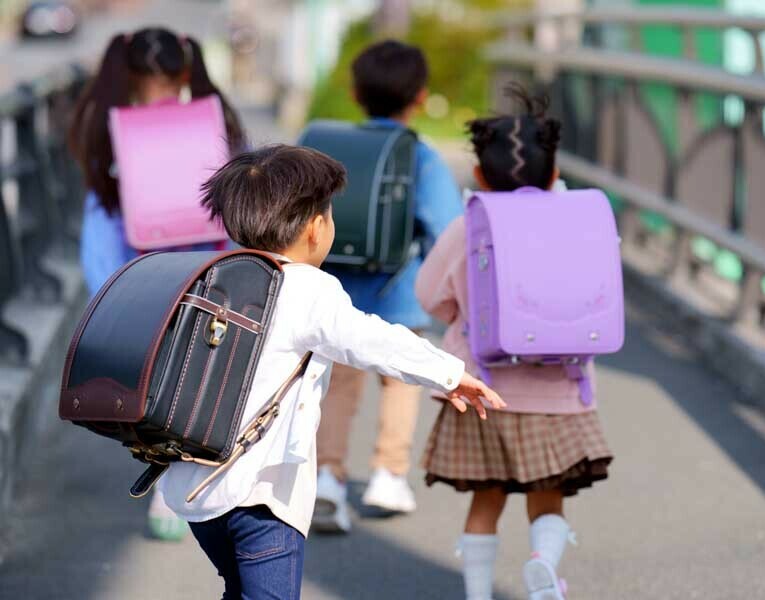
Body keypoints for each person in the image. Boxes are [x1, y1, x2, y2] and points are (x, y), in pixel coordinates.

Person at [158, 144, 505, 599]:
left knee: (237, 588)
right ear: (316, 228)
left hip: (197, 491)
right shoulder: (307, 289)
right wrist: (447, 372)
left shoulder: (212, 275)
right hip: (263, 499)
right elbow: (372, 339)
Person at [415, 88, 615, 600]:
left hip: (486, 392)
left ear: (479, 176)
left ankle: (478, 593)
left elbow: (431, 297)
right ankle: (543, 566)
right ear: (553, 174)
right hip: (559, 392)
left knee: (486, 502)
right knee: (548, 500)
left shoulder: (468, 227)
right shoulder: (581, 218)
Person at [68, 27, 245, 541]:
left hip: (141, 278)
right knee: (201, 383)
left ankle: (168, 486)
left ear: (128, 77)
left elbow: (101, 226)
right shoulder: (215, 123)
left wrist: (109, 296)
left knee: (156, 391)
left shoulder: (111, 132)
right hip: (208, 275)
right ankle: (190, 486)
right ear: (186, 72)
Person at [312, 39, 463, 532]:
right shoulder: (420, 156)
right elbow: (447, 229)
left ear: (356, 94)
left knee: (337, 390)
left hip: (336, 296)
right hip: (401, 297)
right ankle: (386, 475)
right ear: (420, 97)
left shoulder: (328, 146)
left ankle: (328, 480)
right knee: (401, 386)